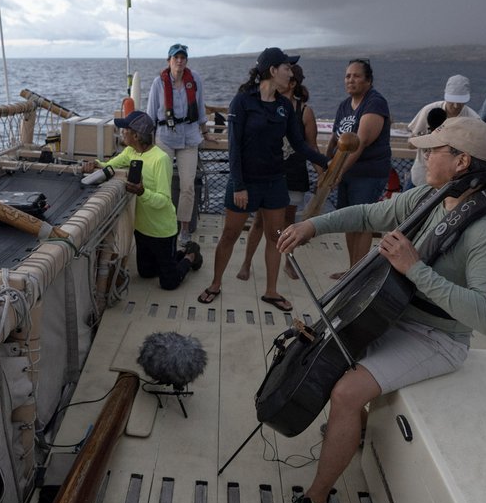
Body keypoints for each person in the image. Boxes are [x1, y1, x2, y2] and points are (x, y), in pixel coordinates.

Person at [265, 117, 486, 503]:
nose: (425, 155)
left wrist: (414, 269)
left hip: (437, 337)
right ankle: (350, 432)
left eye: (435, 150)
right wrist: (311, 226)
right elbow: (368, 213)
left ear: (462, 162)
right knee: (330, 350)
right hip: (392, 315)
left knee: (345, 392)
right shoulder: (431, 197)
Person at [198, 48, 328, 310]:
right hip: (244, 182)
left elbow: (300, 145)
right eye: (287, 68)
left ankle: (271, 291)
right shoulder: (243, 102)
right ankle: (215, 284)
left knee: (276, 236)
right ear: (272, 70)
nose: (291, 73)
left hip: (274, 182)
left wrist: (328, 162)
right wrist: (239, 185)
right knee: (230, 235)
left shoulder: (284, 106)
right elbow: (234, 148)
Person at [84, 110, 202, 290]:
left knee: (168, 283)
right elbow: (110, 165)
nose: (122, 132)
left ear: (137, 136)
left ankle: (190, 256)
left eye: (126, 130)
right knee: (146, 273)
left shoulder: (160, 159)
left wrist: (142, 193)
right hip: (142, 230)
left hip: (163, 231)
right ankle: (173, 258)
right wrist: (95, 164)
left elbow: (163, 200)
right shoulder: (130, 151)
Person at [236, 64, 322, 282]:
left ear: (293, 84)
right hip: (271, 174)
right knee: (258, 222)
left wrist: (323, 170)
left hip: (293, 174)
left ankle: (288, 262)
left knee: (289, 224)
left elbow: (310, 146)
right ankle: (247, 262)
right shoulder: (268, 104)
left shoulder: (303, 111)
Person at [327, 59, 391, 277]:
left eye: (356, 75)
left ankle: (357, 273)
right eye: (347, 76)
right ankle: (352, 269)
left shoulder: (375, 103)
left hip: (368, 174)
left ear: (368, 80)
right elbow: (336, 140)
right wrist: (326, 166)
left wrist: (338, 172)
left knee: (362, 221)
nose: (350, 80)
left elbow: (360, 142)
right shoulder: (344, 106)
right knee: (349, 221)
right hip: (346, 173)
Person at [147, 43, 207, 243]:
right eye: (176, 57)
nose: (179, 61)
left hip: (189, 137)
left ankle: (184, 228)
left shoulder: (195, 80)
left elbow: (199, 108)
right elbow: (151, 113)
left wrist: (206, 131)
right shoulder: (159, 83)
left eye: (183, 57)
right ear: (169, 61)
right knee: (161, 183)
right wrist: (147, 141)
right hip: (165, 137)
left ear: (186, 61)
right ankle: (162, 223)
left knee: (188, 185)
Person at [406, 74, 480, 189]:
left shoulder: (474, 120)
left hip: (450, 184)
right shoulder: (428, 111)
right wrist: (426, 139)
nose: (455, 106)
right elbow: (410, 144)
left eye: (460, 102)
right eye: (452, 101)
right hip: (420, 177)